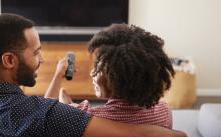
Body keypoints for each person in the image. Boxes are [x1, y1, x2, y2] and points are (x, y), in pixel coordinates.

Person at [0, 14, 187, 137]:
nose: (41, 60)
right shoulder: (49, 116)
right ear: (9, 60)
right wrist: (178, 136)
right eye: (36, 53)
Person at [45, 24, 174, 129]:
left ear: (116, 79)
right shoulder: (164, 112)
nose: (91, 73)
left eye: (98, 68)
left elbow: (44, 115)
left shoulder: (83, 116)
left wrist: (58, 76)